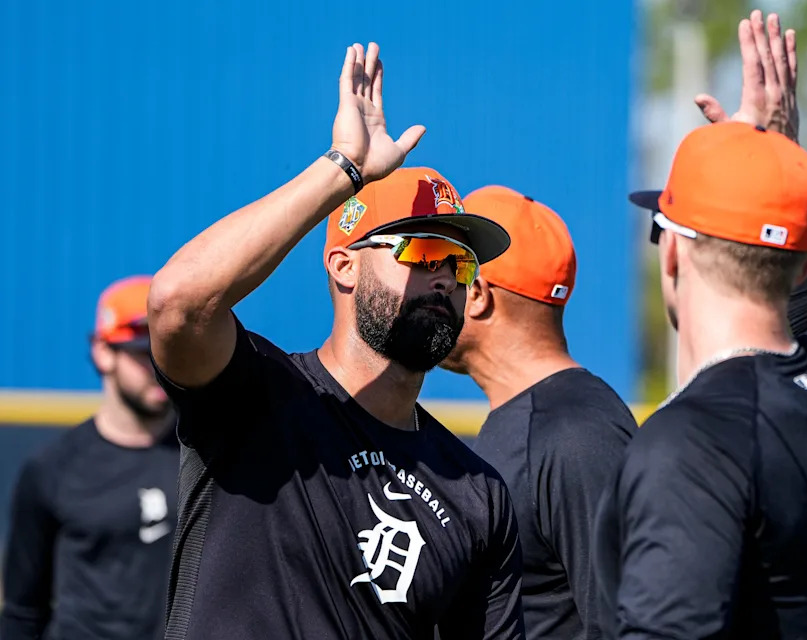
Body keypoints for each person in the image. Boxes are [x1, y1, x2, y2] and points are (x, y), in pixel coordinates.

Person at [146, 42, 524, 640]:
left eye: (460, 263)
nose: (445, 277)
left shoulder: (477, 492)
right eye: (422, 252)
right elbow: (177, 306)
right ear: (345, 266)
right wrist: (344, 168)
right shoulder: (256, 395)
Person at [593, 11, 807, 639]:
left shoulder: (689, 443)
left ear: (673, 252)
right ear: (802, 261)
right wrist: (776, 163)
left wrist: (773, 151)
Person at [440, 185, 637, 639]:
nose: (427, 287)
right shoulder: (537, 420)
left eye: (441, 270)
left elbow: (625, 626)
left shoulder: (577, 433)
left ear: (477, 295)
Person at [1, 275, 179, 640]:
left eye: (168, 352)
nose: (159, 368)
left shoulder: (209, 456)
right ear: (103, 351)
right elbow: (23, 609)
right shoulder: (52, 469)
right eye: (143, 353)